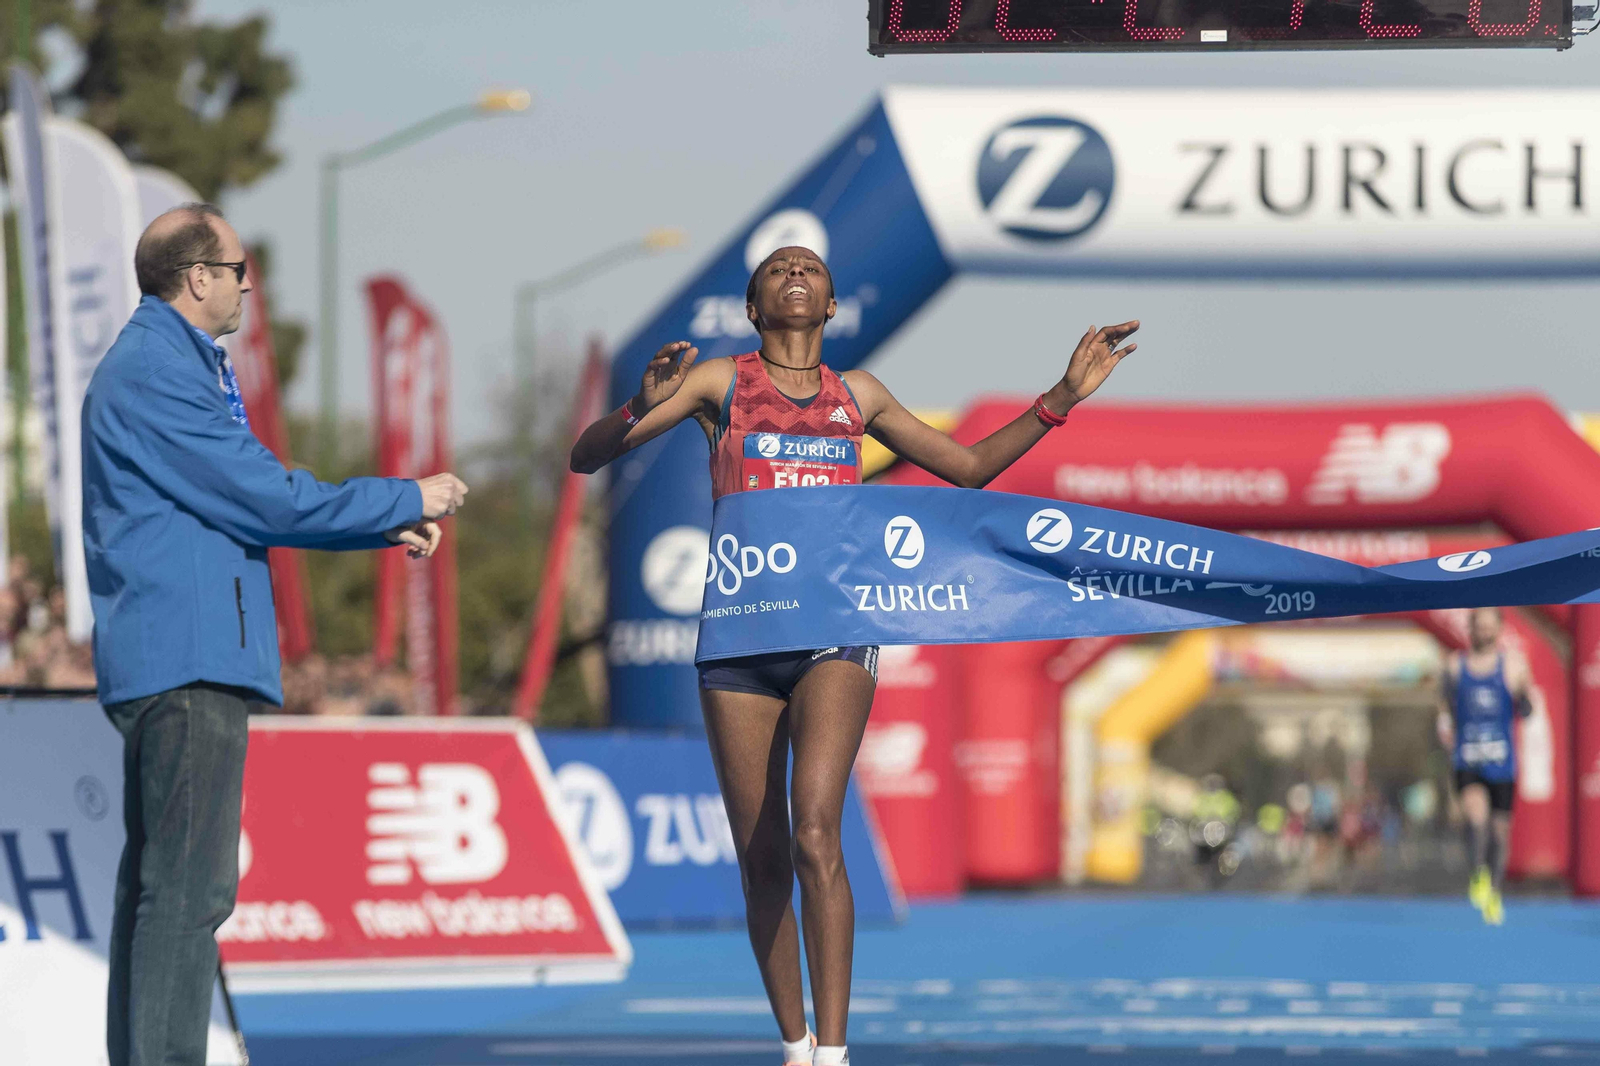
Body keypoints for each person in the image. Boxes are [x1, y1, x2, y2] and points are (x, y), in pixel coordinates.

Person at [572, 245, 1136, 1066]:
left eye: (809, 269)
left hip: (835, 629)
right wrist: (636, 406)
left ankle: (834, 1055)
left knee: (814, 833)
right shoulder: (716, 384)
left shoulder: (857, 397)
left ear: (832, 306)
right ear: (754, 308)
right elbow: (587, 458)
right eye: (775, 271)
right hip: (738, 636)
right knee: (762, 857)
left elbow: (970, 469)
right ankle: (795, 1047)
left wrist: (1060, 400)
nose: (794, 273)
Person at [82, 203, 469, 1066]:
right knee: (186, 895)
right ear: (198, 278)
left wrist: (377, 526)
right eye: (239, 272)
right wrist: (403, 499)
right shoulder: (155, 368)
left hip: (180, 651)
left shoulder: (167, 362)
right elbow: (264, 495)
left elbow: (244, 495)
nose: (248, 289)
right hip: (186, 657)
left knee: (163, 894)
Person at [1436, 606, 1541, 926]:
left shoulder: (1512, 665)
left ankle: (1494, 890)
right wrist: (1445, 728)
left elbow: (1527, 711)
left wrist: (1524, 693)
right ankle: (1477, 874)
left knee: (1499, 829)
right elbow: (1444, 706)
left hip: (1501, 761)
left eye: (1488, 627)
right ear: (1471, 629)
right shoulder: (1455, 667)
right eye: (1478, 627)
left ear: (1498, 629)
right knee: (1475, 815)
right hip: (1468, 756)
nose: (1483, 632)